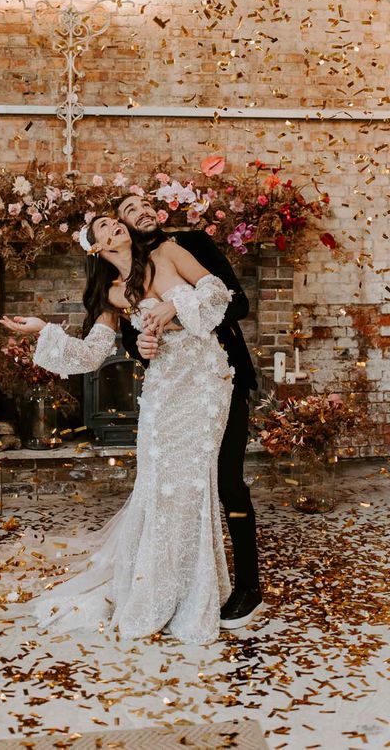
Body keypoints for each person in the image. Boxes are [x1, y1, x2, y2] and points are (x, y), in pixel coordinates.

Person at [0, 212, 243, 644]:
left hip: (205, 382)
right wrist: (43, 330)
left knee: (192, 486)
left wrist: (173, 305)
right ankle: (155, 588)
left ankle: (193, 595)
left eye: (115, 222)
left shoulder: (169, 252)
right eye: (104, 229)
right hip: (164, 389)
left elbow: (218, 292)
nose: (115, 228)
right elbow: (92, 355)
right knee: (159, 484)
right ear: (97, 249)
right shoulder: (112, 294)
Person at [116, 193, 262, 630]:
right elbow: (131, 335)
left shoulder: (192, 242)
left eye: (144, 205)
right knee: (177, 487)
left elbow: (238, 303)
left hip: (220, 376)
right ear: (119, 228)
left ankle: (249, 586)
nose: (141, 211)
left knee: (228, 480)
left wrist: (177, 306)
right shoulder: (128, 272)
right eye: (128, 211)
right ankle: (181, 583)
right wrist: (139, 348)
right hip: (175, 389)